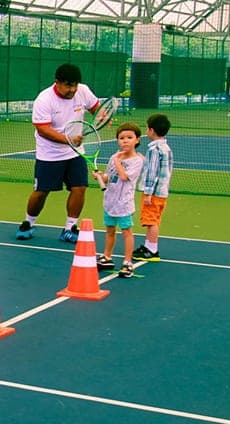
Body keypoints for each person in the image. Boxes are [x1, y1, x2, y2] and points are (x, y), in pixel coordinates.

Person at [16, 63, 105, 243]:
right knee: (41, 192)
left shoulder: (83, 91)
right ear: (57, 83)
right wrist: (68, 140)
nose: (72, 90)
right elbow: (43, 129)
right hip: (49, 154)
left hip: (75, 153)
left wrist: (101, 114)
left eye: (75, 85)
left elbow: (96, 107)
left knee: (79, 188)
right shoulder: (44, 99)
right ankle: (28, 222)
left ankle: (70, 227)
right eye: (68, 86)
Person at [91, 122, 144, 279]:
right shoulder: (115, 156)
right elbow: (110, 176)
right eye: (121, 138)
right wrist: (101, 176)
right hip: (110, 201)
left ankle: (128, 262)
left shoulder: (138, 160)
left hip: (124, 203)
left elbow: (124, 177)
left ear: (137, 140)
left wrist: (118, 162)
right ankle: (107, 257)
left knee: (126, 232)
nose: (125, 141)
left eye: (129, 137)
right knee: (109, 231)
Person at [134, 114, 174, 261]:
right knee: (154, 220)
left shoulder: (154, 149)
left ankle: (152, 249)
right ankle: (149, 245)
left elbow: (152, 172)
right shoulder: (165, 147)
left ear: (151, 130)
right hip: (162, 191)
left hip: (154, 192)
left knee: (151, 221)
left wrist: (148, 193)